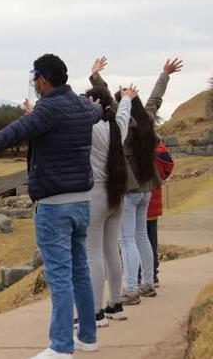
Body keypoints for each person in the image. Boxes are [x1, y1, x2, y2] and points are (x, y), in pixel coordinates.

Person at [0, 54, 102, 359]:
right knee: (80, 272)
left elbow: (17, 130)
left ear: (43, 79)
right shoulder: (80, 105)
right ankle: (88, 337)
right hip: (82, 203)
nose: (34, 84)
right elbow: (98, 112)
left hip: (54, 206)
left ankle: (61, 346)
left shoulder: (48, 108)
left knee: (60, 275)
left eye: (34, 78)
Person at [90, 57, 182, 304]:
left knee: (126, 239)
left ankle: (130, 289)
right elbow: (154, 99)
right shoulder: (147, 120)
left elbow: (109, 102)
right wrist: (164, 75)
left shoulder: (123, 125)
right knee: (142, 236)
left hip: (129, 189)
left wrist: (96, 78)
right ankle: (148, 283)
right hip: (147, 187)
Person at [83, 84, 136, 326]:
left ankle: (95, 312)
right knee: (112, 251)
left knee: (92, 254)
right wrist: (126, 98)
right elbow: (123, 111)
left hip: (95, 195)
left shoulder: (90, 127)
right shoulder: (117, 127)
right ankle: (115, 304)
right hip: (117, 196)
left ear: (92, 101)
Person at [146, 140, 174, 287]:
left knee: (136, 240)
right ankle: (152, 275)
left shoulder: (131, 140)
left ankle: (143, 276)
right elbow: (168, 165)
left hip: (136, 198)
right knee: (151, 239)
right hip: (153, 198)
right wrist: (159, 178)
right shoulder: (158, 145)